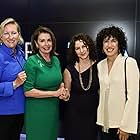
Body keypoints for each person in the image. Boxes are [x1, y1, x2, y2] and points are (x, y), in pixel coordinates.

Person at [96, 25, 139, 140]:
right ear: (102, 45)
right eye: (106, 41)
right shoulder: (100, 65)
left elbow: (133, 97)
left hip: (121, 127)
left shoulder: (129, 63)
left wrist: (126, 127)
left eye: (113, 41)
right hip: (103, 123)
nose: (109, 45)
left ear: (119, 44)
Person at [23, 26, 66, 140]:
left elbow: (59, 80)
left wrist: (62, 89)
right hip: (37, 112)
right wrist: (54, 94)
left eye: (49, 40)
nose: (46, 44)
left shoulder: (56, 60)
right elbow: (28, 91)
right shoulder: (31, 61)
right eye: (42, 41)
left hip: (52, 110)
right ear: (36, 44)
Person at [62, 33, 100, 140]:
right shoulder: (68, 70)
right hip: (73, 117)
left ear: (89, 46)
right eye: (77, 48)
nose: (82, 51)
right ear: (74, 51)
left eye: (84, 46)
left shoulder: (99, 66)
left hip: (93, 116)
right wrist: (64, 94)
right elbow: (67, 94)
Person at [0, 18, 26, 140]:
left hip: (20, 111)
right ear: (1, 37)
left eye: (14, 33)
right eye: (6, 33)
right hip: (4, 114)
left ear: (19, 35)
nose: (10, 37)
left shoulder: (20, 53)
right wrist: (14, 84)